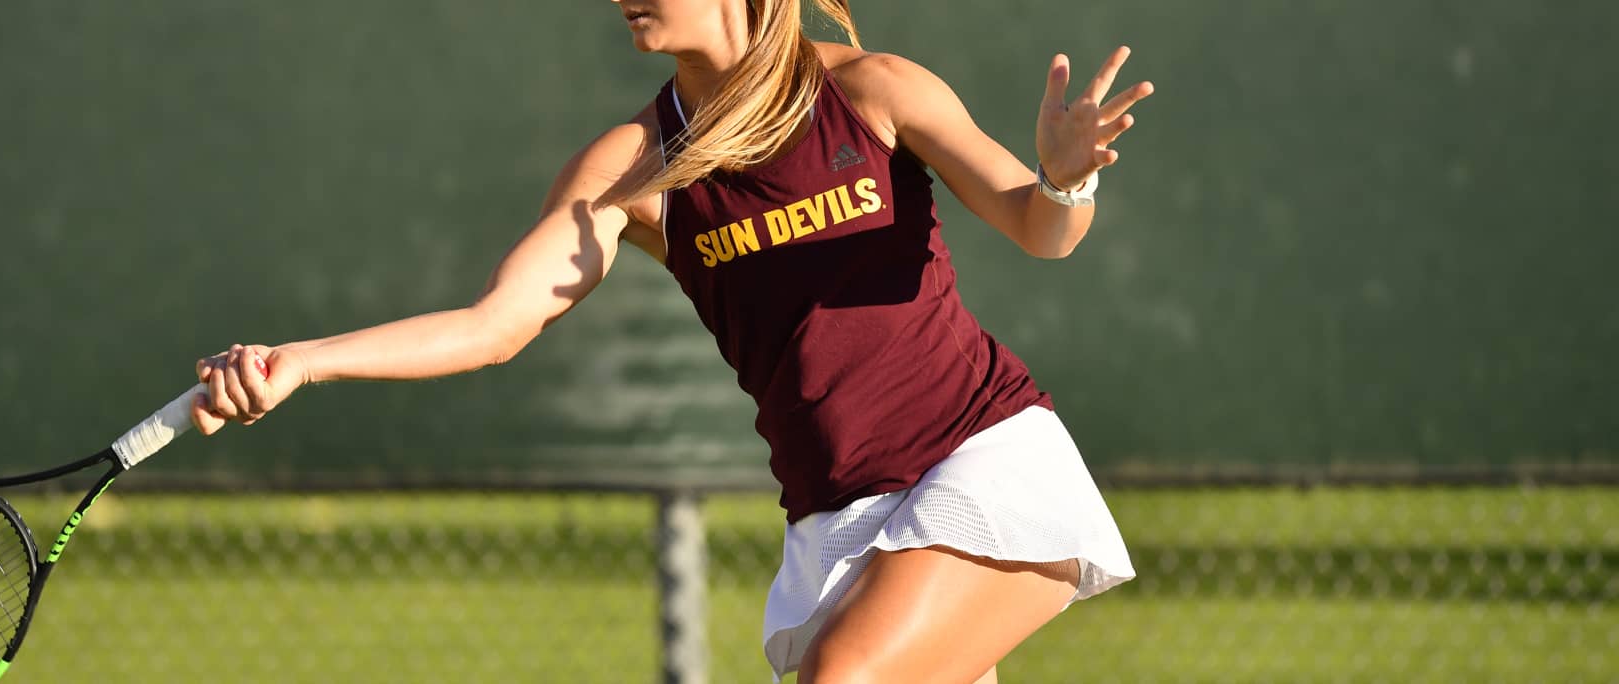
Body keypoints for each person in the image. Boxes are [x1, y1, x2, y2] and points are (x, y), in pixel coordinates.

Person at [191, 1, 1151, 681]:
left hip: (978, 464)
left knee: (847, 680)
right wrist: (304, 362)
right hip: (837, 521)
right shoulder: (634, 167)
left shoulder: (871, 90)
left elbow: (1040, 227)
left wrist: (1067, 179)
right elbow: (495, 325)